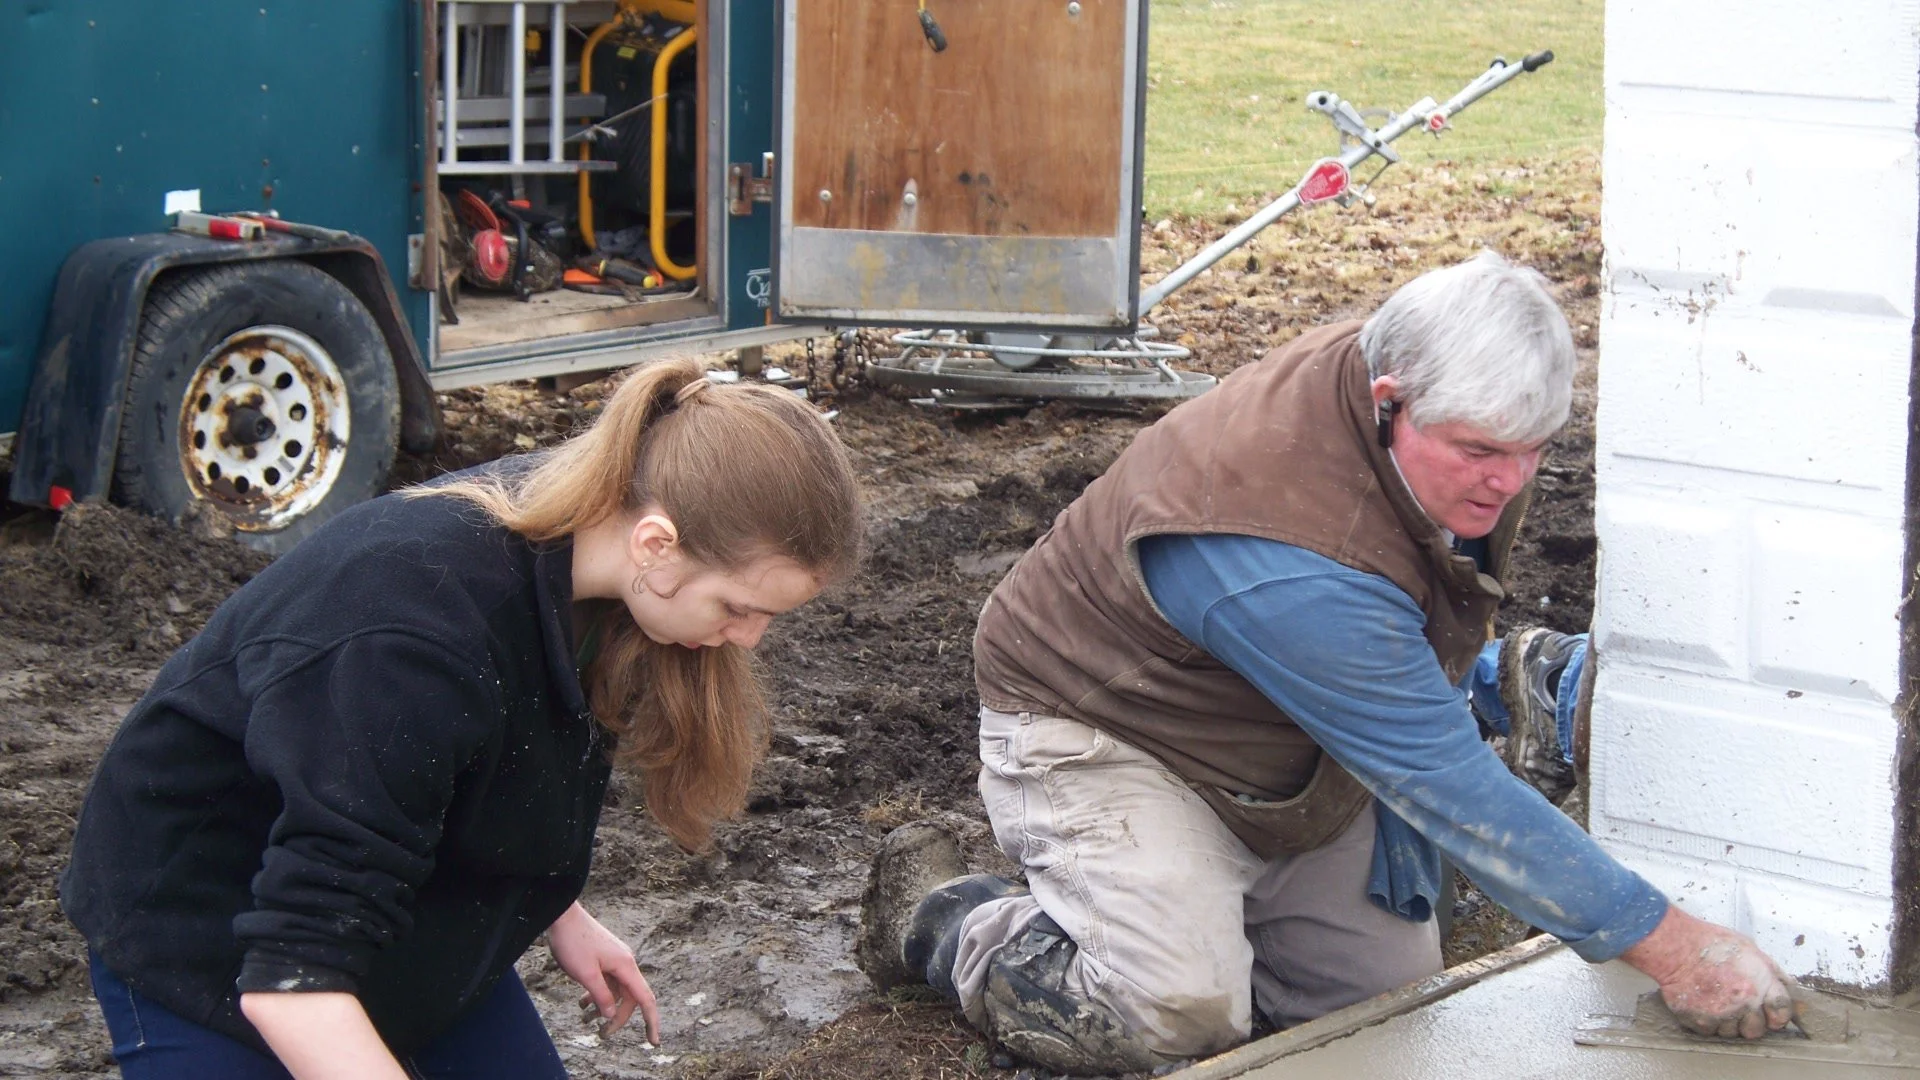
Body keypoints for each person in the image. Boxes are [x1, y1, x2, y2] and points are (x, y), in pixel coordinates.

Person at [857, 252, 1803, 1075]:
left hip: (1285, 737)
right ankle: (952, 920)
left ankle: (1200, 912)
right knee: (1177, 1013)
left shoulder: (1422, 371)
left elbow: (1414, 683)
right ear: (1390, 403)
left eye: (1533, 451)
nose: (1511, 482)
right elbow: (1446, 781)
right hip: (1112, 727)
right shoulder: (1285, 556)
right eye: (1480, 452)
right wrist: (1678, 949)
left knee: (1376, 1014)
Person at [61, 358, 864, 1079]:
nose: (749, 638)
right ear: (656, 542)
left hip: (402, 910)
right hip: (217, 942)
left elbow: (470, 766)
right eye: (738, 607)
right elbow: (292, 984)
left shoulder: (597, 554)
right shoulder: (414, 639)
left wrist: (556, 910)